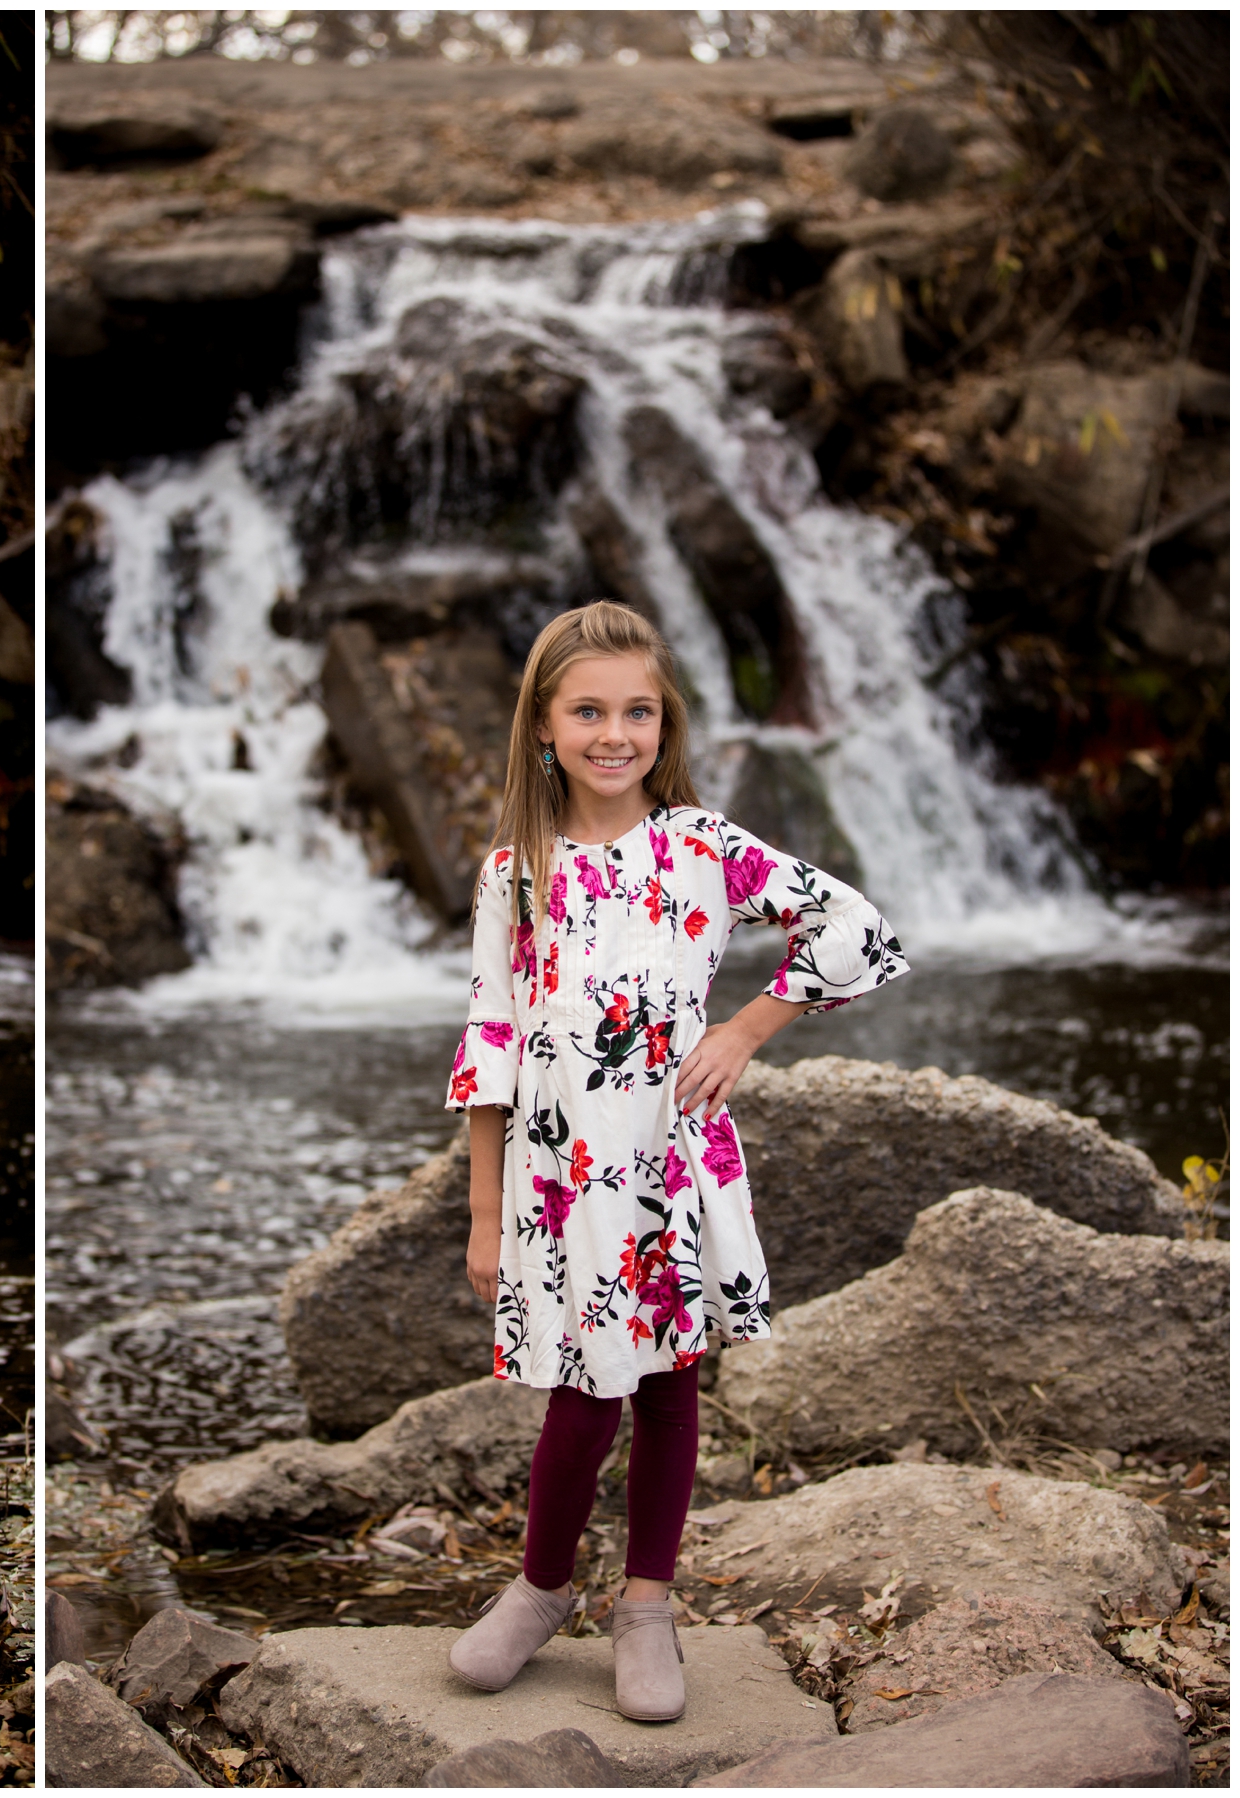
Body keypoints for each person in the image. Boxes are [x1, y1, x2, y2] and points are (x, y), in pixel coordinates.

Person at [442, 600, 907, 1722]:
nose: (616, 733)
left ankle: (646, 1603)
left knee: (665, 1382)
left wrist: (745, 1028)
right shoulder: (516, 870)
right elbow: (491, 1037)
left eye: (637, 710)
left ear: (664, 720)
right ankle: (542, 1586)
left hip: (669, 1164)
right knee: (577, 1389)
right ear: (543, 726)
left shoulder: (700, 845)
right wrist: (484, 1209)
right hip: (561, 1177)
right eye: (589, 710)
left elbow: (853, 924)